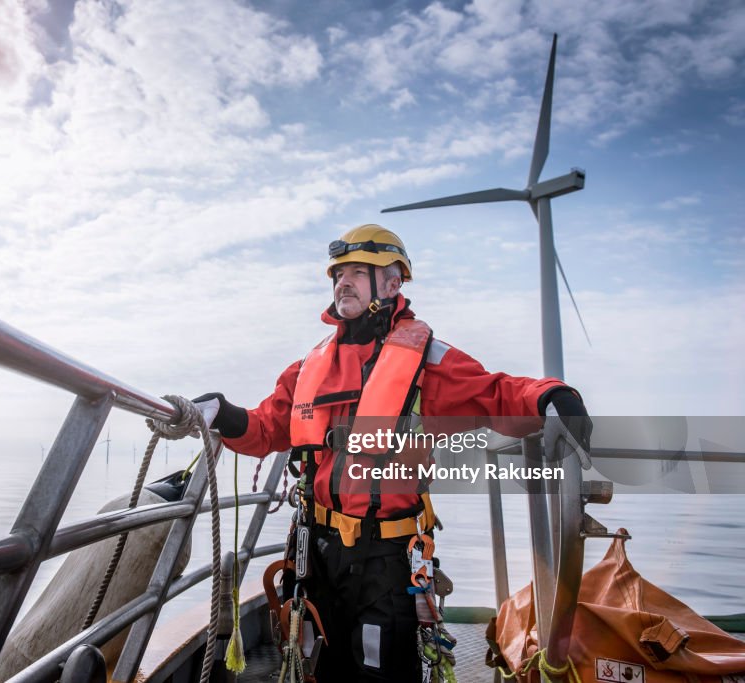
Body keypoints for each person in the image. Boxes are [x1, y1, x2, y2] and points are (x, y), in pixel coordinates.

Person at [194, 223, 591, 681]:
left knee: (379, 671)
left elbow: (496, 394)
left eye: (356, 272)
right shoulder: (308, 368)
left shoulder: (426, 361)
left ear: (392, 281)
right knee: (317, 667)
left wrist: (555, 396)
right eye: (337, 273)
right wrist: (222, 413)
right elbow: (266, 428)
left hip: (385, 559)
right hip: (316, 553)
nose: (342, 281)